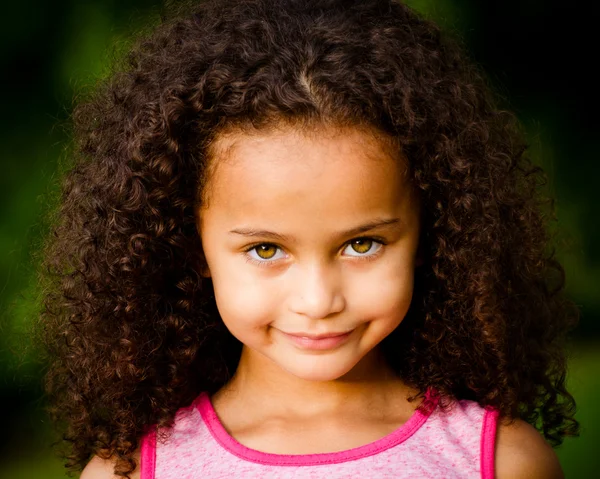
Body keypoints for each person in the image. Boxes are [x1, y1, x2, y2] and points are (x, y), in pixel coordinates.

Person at [38, 0, 579, 477]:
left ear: (428, 231)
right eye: (266, 249)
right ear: (191, 243)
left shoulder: (499, 461)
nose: (318, 301)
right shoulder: (133, 472)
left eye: (362, 244)